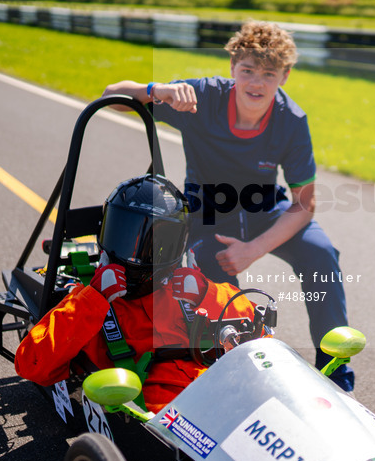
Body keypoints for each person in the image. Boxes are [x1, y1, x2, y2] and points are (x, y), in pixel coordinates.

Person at [101, 20, 354, 391]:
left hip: (263, 209)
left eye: (268, 73)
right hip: (208, 212)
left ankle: (336, 375)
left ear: (285, 76)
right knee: (224, 293)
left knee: (322, 254)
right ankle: (241, 380)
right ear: (232, 68)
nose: (256, 82)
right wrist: (157, 89)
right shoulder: (202, 98)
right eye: (247, 71)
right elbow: (112, 94)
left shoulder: (292, 121)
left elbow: (305, 203)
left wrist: (253, 250)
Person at [15, 174, 261, 413]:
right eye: (124, 235)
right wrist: (95, 299)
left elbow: (258, 331)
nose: (135, 253)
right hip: (168, 418)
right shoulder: (87, 302)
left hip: (222, 393)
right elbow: (31, 364)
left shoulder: (187, 288)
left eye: (152, 244)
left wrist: (206, 294)